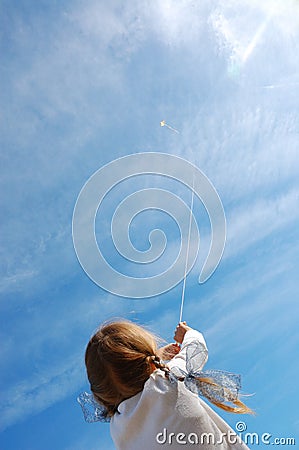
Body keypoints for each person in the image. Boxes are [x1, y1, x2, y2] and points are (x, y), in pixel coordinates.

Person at [84, 320, 252, 449]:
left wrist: (159, 357)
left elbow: (127, 381)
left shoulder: (118, 430)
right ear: (150, 364)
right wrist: (189, 334)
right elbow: (196, 349)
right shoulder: (167, 383)